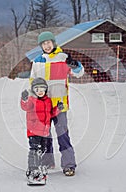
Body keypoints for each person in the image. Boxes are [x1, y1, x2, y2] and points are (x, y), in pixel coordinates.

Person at [29, 31, 84, 176]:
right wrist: (33, 101)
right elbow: (32, 82)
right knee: (45, 135)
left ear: (53, 42)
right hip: (44, 106)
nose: (46, 46)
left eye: (48, 42)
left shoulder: (63, 57)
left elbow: (79, 73)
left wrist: (75, 65)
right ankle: (47, 162)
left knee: (62, 135)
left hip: (59, 105)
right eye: (43, 44)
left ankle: (68, 164)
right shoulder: (37, 61)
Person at [21, 77, 64, 182]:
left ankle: (40, 167)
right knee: (35, 151)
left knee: (43, 150)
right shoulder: (31, 100)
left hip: (45, 132)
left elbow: (50, 114)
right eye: (37, 89)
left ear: (46, 90)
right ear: (33, 90)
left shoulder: (48, 101)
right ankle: (33, 170)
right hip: (34, 132)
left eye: (42, 89)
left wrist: (58, 108)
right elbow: (25, 107)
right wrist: (24, 99)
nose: (40, 92)